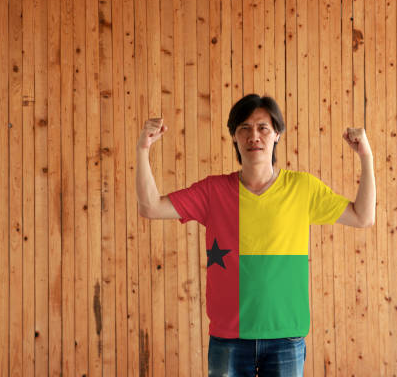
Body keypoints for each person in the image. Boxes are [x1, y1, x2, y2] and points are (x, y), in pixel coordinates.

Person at [136, 94, 376, 377]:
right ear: (235, 138)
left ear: (277, 134)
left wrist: (366, 157)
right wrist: (142, 149)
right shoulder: (213, 191)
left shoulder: (302, 188)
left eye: (263, 127)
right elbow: (150, 207)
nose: (254, 136)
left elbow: (363, 216)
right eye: (244, 129)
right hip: (228, 339)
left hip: (286, 338)